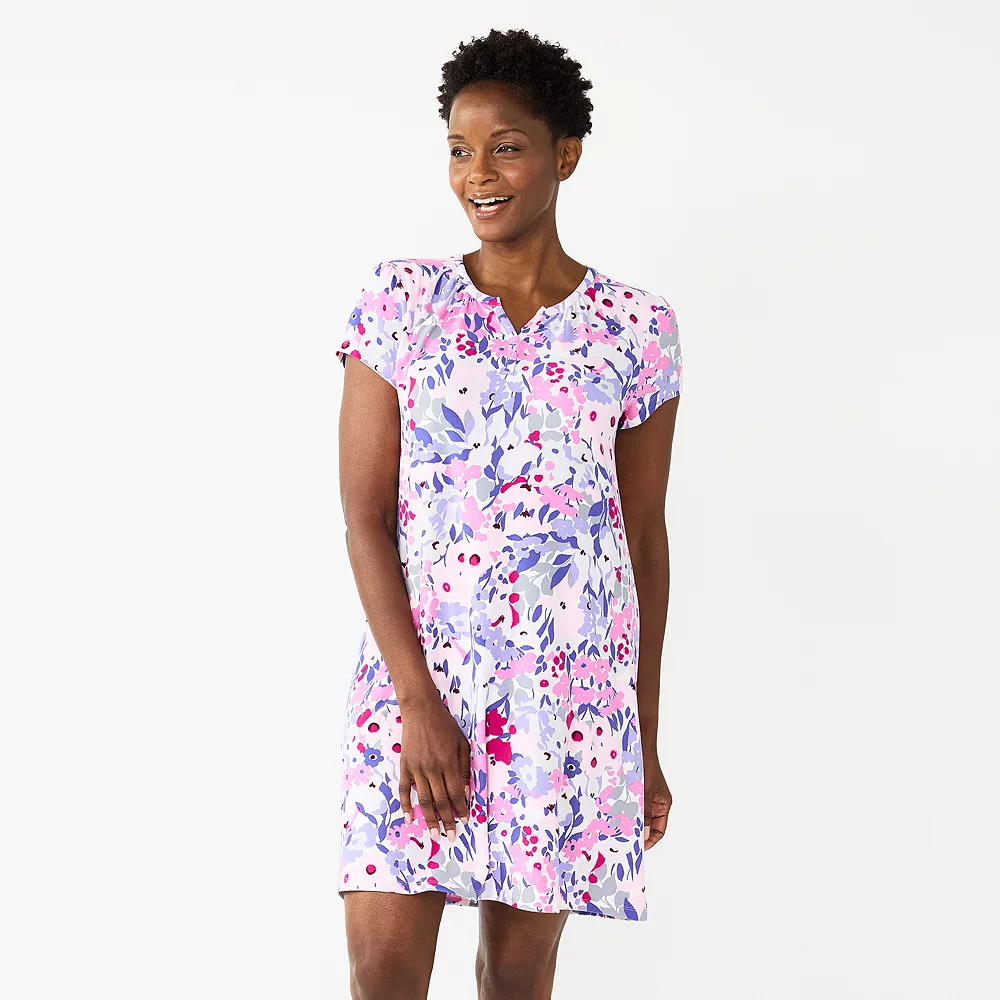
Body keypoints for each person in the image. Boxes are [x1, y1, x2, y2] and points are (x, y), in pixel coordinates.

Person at [334, 27, 683, 1000]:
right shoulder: (402, 300)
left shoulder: (636, 328)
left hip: (564, 704)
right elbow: (364, 516)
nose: (477, 173)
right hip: (418, 688)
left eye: (506, 147)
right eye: (458, 148)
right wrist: (416, 702)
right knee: (383, 973)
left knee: (517, 980)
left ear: (565, 154)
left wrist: (642, 738)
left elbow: (641, 540)